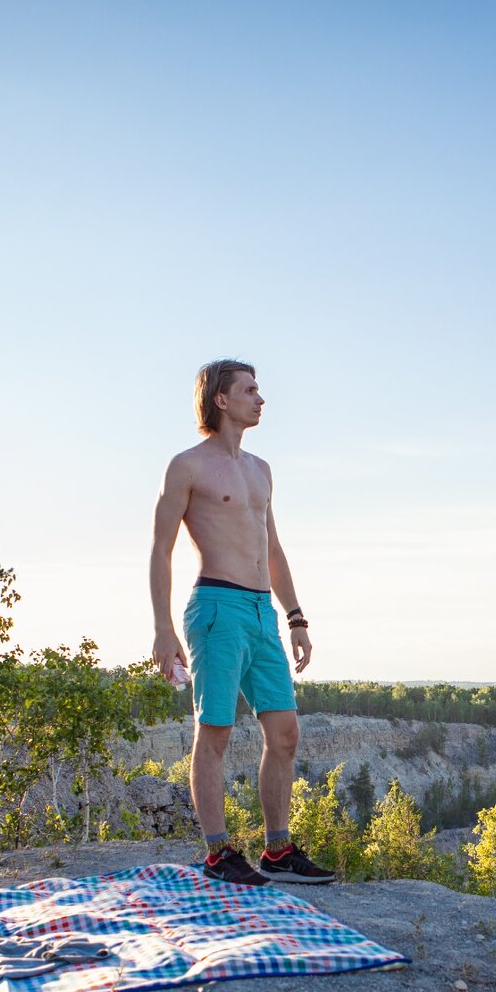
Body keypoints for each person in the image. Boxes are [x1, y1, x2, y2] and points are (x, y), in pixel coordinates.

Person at [150, 359, 335, 886]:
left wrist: (296, 616)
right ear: (221, 400)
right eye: (250, 390)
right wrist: (163, 628)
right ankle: (218, 852)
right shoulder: (187, 466)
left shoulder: (261, 469)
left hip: (262, 612)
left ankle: (278, 851)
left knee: (285, 733)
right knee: (215, 730)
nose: (261, 398)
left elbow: (272, 547)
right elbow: (160, 549)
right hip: (217, 607)